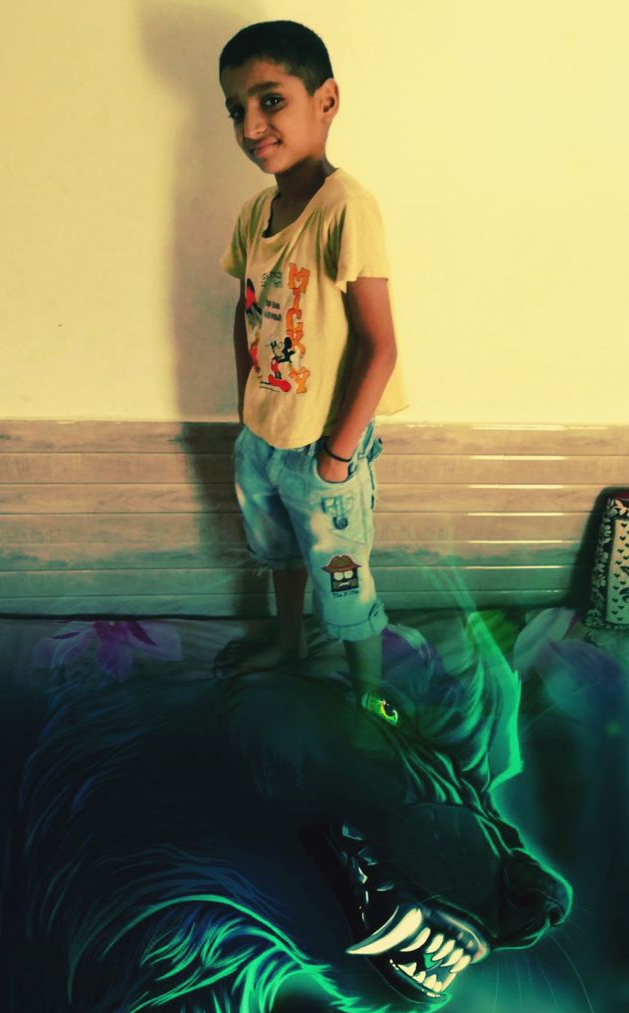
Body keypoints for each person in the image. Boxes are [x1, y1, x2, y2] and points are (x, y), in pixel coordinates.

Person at [216, 20, 408, 725]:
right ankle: (290, 644)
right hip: (263, 437)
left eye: (271, 101)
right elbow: (244, 311)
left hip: (323, 449)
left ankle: (368, 690)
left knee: (343, 577)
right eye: (236, 108)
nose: (250, 125)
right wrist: (248, 409)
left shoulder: (345, 207)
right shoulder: (255, 211)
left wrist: (337, 456)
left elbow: (380, 346)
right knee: (281, 555)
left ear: (325, 101)